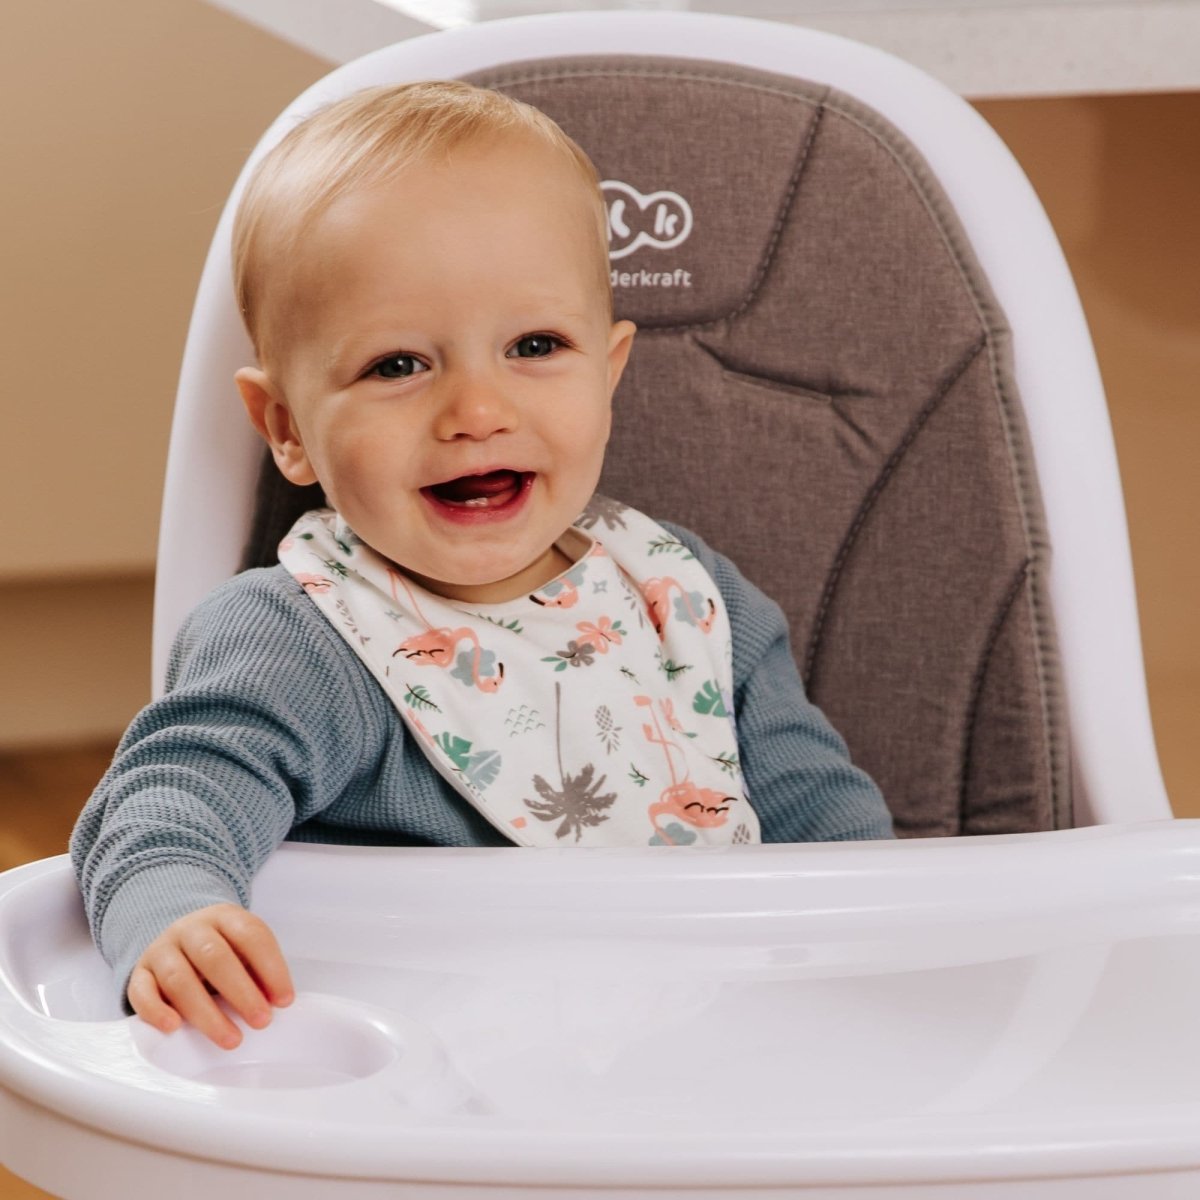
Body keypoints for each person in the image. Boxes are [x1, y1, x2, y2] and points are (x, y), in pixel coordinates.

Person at [71, 81, 893, 1053]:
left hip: (715, 1062)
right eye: (398, 365)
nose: (475, 409)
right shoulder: (298, 638)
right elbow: (172, 798)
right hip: (422, 1095)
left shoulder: (687, 600)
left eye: (534, 346)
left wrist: (899, 974)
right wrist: (176, 921)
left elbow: (834, 833)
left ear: (610, 369)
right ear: (286, 429)